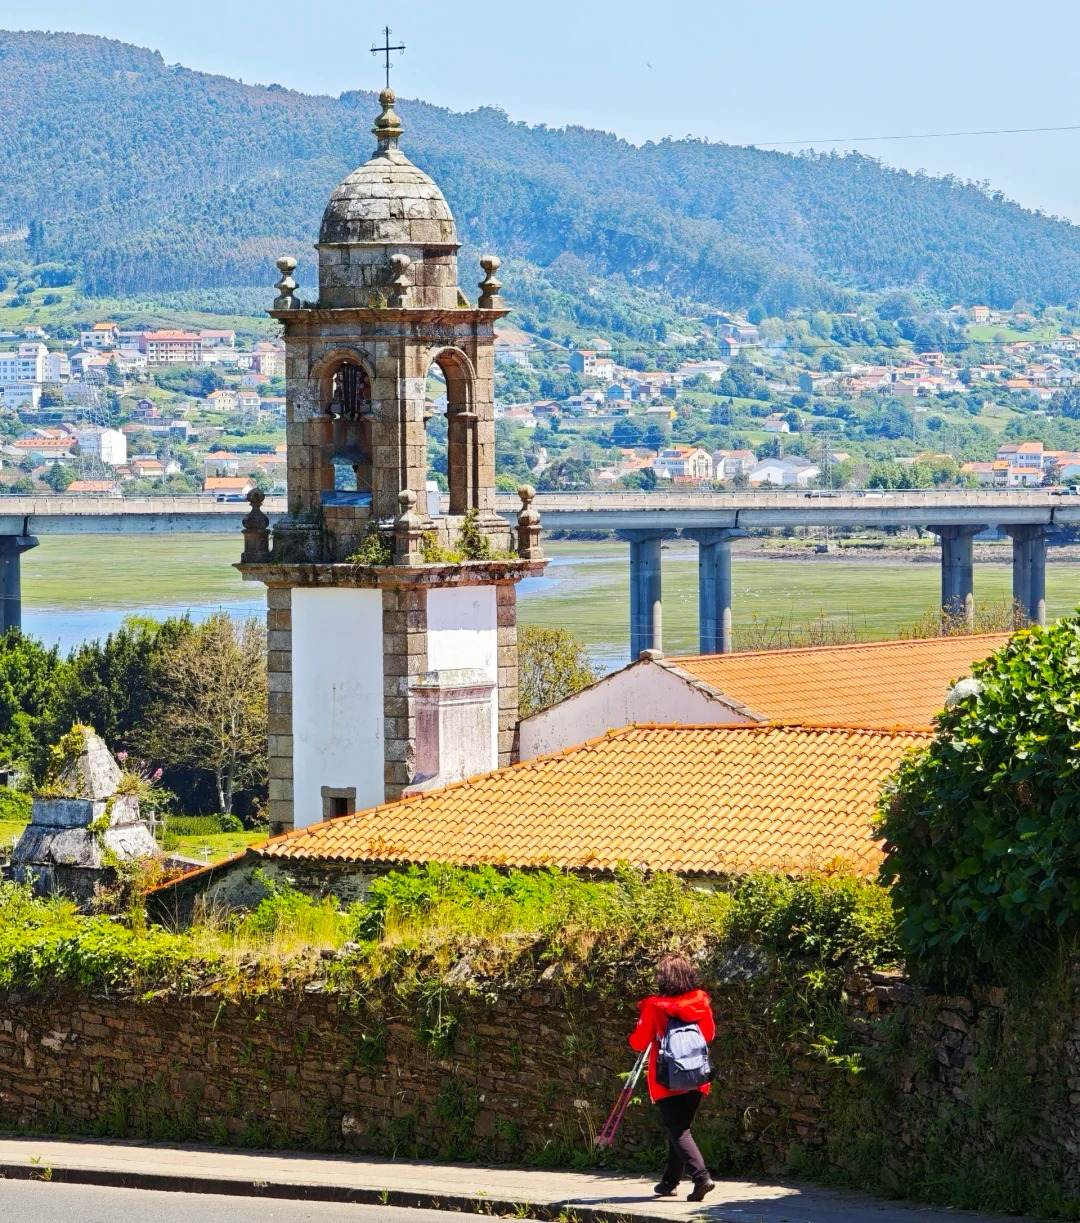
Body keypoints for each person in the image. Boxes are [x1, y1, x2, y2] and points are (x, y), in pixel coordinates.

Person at [628, 952, 716, 1202]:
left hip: (667, 1079)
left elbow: (639, 1042)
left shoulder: (654, 1006)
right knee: (679, 1128)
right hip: (697, 1075)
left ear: (663, 979)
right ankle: (670, 1181)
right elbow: (709, 1034)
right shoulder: (700, 1002)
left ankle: (701, 1177)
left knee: (678, 1130)